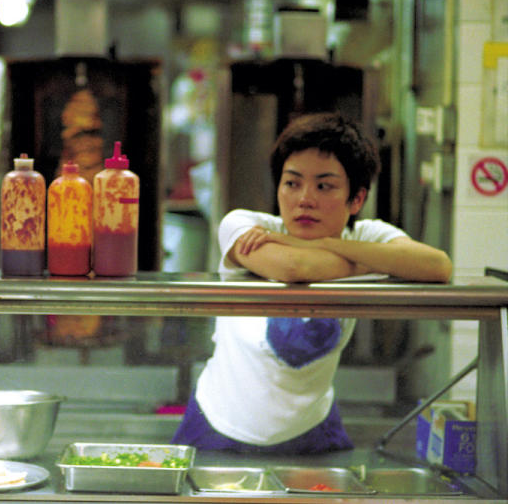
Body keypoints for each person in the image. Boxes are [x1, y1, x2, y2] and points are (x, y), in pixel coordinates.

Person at [172, 112, 452, 454]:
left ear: (357, 199)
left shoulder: (366, 233)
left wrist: (328, 245)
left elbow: (437, 266)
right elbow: (294, 267)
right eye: (292, 183)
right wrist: (368, 260)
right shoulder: (243, 225)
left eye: (324, 185)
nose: (304, 199)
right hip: (217, 425)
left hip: (313, 431)